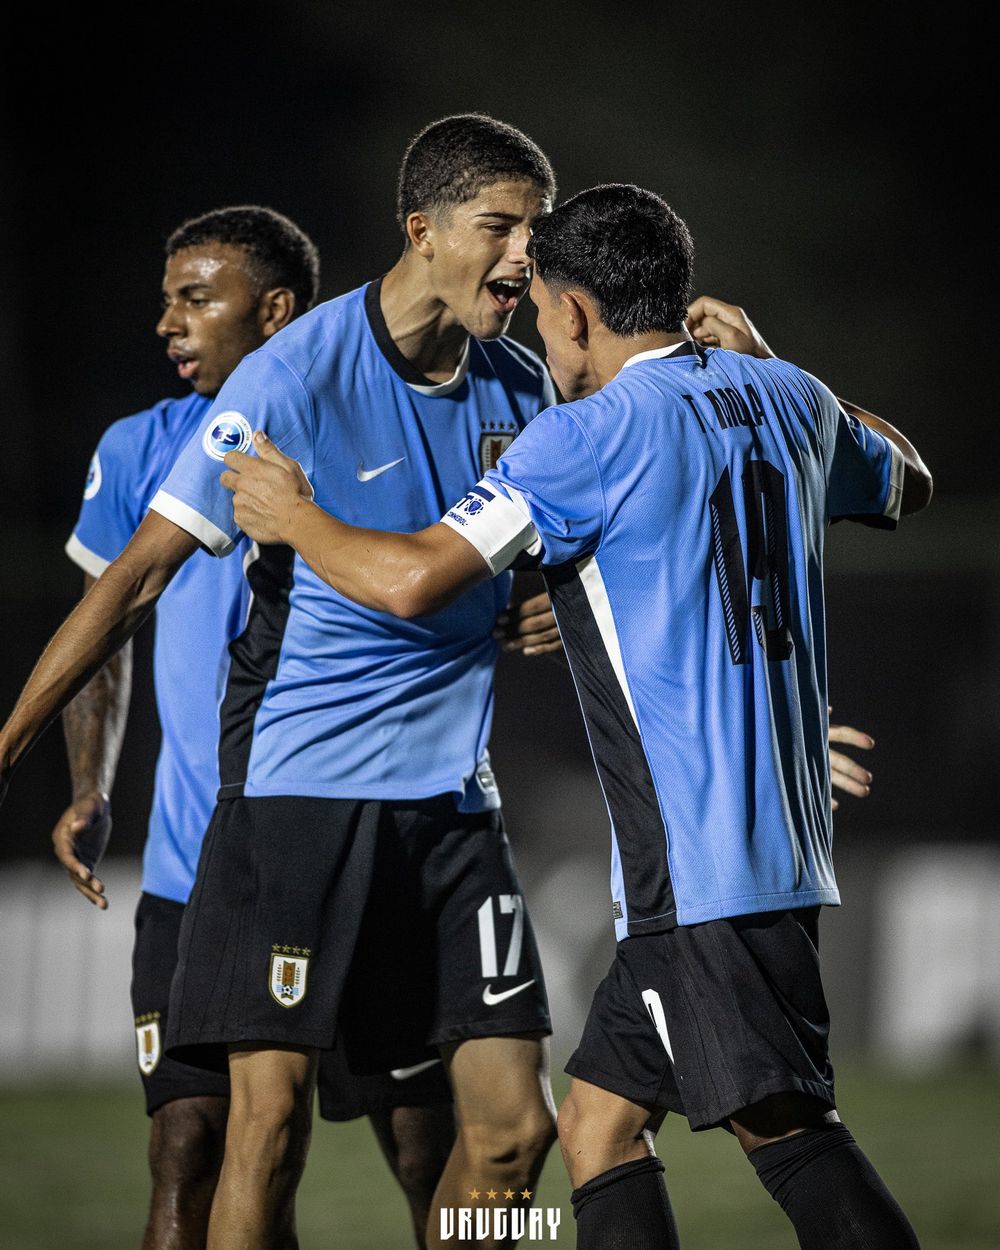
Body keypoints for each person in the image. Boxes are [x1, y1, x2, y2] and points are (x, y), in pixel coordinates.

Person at [220, 183, 932, 1250]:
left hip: (697, 867)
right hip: (746, 854)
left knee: (788, 1129)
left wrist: (294, 513)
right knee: (594, 1130)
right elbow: (909, 479)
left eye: (542, 301)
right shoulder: (787, 398)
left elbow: (413, 577)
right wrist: (774, 358)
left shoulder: (583, 436)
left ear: (573, 313)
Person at [0, 114, 564, 1250]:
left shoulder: (524, 385)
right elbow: (132, 584)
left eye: (533, 235)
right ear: (423, 229)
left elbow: (567, 557)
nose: (523, 258)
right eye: (500, 228)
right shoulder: (291, 374)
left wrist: (540, 600)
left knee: (512, 1134)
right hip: (300, 800)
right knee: (257, 1132)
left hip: (456, 807)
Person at [48, 203, 458, 1250]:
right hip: (195, 876)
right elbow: (109, 622)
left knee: (436, 1152)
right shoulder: (140, 446)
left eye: (196, 297)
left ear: (274, 311)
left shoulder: (375, 426)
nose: (167, 323)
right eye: (166, 299)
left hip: (357, 852)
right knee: (192, 1149)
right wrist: (89, 782)